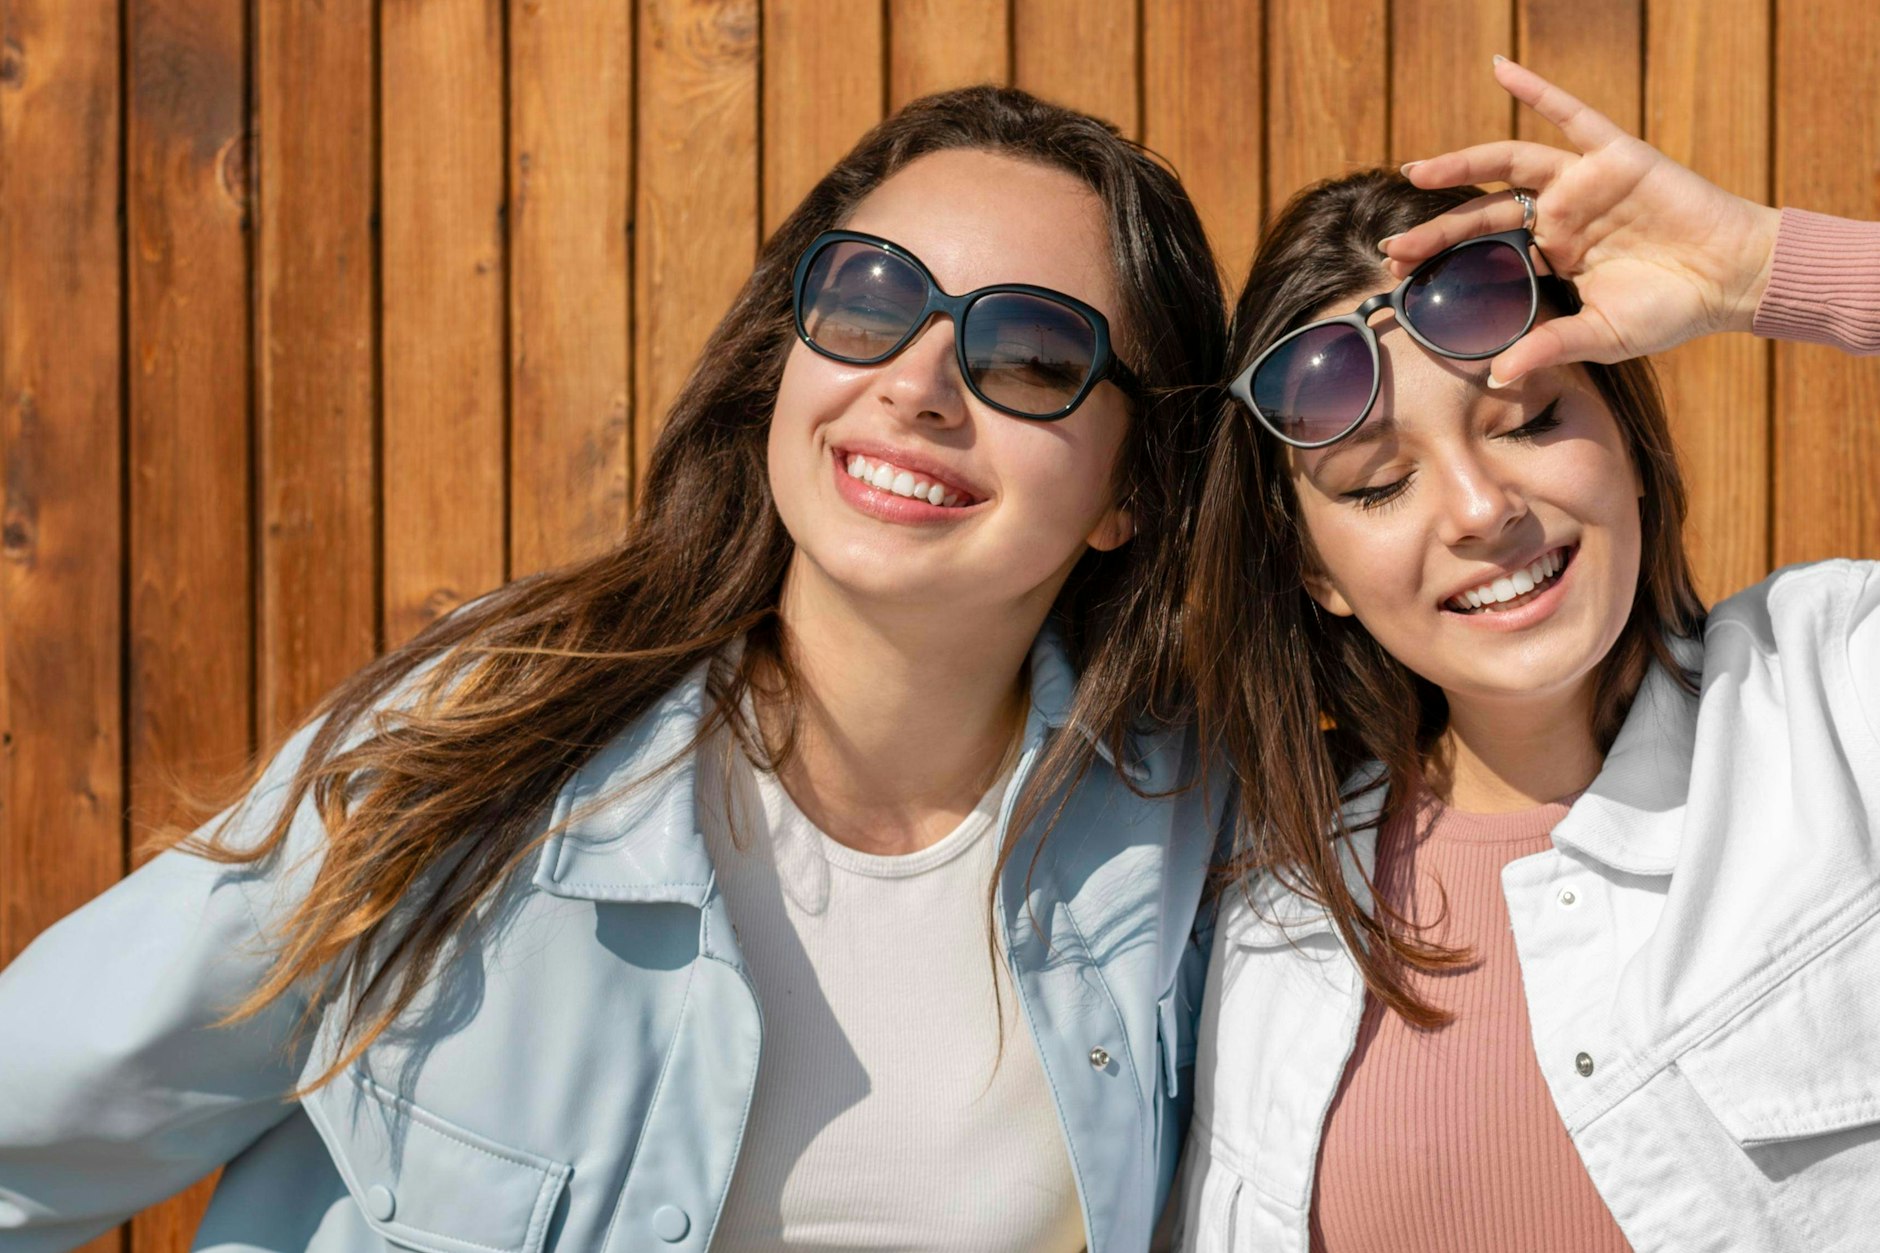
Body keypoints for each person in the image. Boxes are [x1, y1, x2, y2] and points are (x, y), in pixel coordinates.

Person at [0, 86, 1229, 1253]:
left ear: (1130, 485)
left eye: (1026, 353)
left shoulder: (1194, 832)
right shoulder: (484, 742)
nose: (916, 383)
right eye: (868, 300)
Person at [1176, 58, 1880, 1253]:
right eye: (1378, 483)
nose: (1474, 507)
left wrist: (1762, 269)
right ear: (1315, 574)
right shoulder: (1266, 902)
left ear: (1622, 436)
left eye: (1529, 419)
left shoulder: (1831, 694)